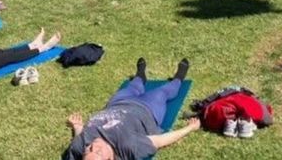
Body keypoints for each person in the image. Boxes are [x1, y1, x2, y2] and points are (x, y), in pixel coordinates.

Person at [62, 58, 200, 160]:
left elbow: (79, 139)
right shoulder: (129, 147)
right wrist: (189, 128)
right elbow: (160, 140)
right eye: (98, 152)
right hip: (147, 109)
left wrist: (77, 126)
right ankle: (179, 77)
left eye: (88, 150)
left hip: (117, 103)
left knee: (133, 86)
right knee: (163, 92)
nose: (94, 145)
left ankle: (140, 74)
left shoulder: (79, 148)